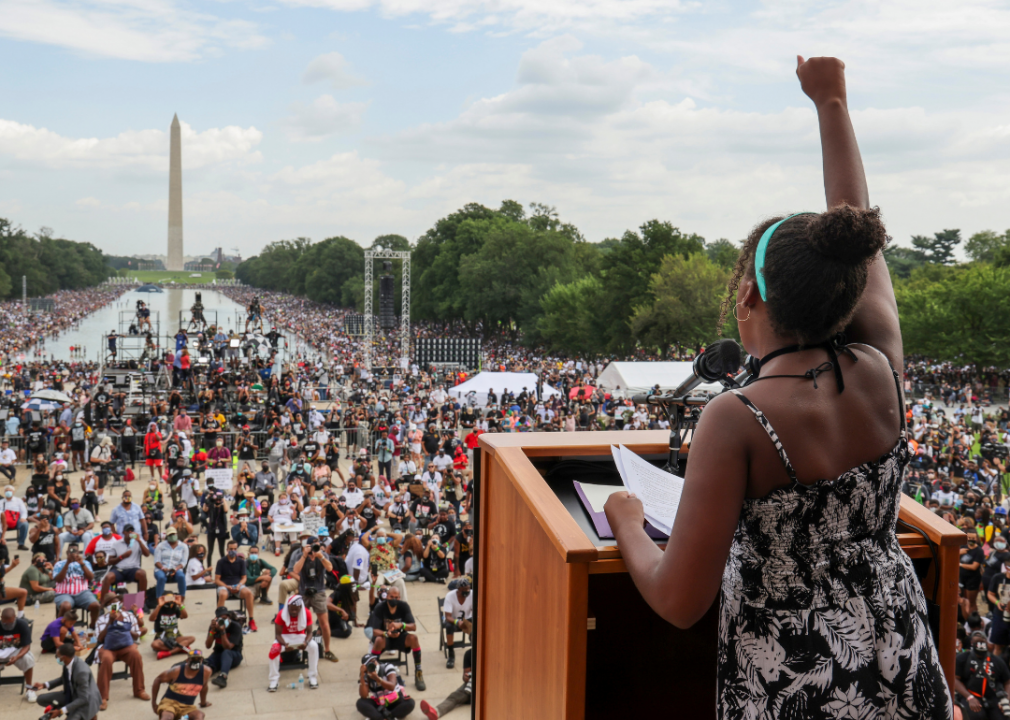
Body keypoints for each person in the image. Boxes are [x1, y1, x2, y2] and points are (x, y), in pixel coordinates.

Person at [602, 56, 951, 718]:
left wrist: (625, 522)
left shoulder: (737, 419)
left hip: (797, 680)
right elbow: (855, 223)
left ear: (749, 296)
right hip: (900, 650)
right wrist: (831, 102)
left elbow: (680, 602)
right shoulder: (881, 367)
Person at [95, 598, 150, 709]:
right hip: (108, 647)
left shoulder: (129, 616)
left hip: (126, 646)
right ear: (106, 607)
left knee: (136, 655)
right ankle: (102, 697)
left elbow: (137, 634)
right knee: (106, 659)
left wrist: (125, 630)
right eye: (110, 603)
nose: (113, 604)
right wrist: (110, 623)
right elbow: (100, 638)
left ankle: (139, 690)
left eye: (115, 602)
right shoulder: (101, 619)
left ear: (119, 603)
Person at [367, 587, 425, 690]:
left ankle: (418, 672)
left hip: (400, 637)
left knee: (414, 638)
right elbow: (374, 630)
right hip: (386, 637)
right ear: (387, 596)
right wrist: (386, 633)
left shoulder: (404, 606)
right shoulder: (380, 607)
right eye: (391, 597)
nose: (393, 599)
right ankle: (374, 672)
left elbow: (413, 626)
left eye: (396, 597)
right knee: (378, 640)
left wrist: (401, 625)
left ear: (399, 597)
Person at [293, 537, 338, 662]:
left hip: (319, 591)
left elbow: (329, 568)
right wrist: (304, 555)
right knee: (300, 622)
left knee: (324, 623)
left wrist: (320, 556)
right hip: (304, 591)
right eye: (312, 546)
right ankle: (299, 649)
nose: (314, 548)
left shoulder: (322, 555)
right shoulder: (300, 555)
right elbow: (295, 570)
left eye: (317, 545)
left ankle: (327, 650)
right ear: (306, 546)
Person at [32, 642, 102, 720]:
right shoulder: (68, 662)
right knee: (41, 699)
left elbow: (83, 699)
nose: (57, 658)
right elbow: (63, 678)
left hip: (85, 702)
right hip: (72, 694)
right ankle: (69, 709)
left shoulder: (81, 672)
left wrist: (61, 711)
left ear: (63, 657)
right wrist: (44, 685)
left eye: (57, 656)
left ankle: (86, 715)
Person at [267, 594, 319, 692]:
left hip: (300, 636)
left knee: (314, 646)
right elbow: (277, 635)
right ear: (288, 607)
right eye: (292, 609)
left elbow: (310, 633)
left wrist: (306, 643)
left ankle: (312, 677)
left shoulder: (306, 613)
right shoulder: (281, 614)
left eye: (296, 609)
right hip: (284, 637)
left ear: (300, 607)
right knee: (274, 649)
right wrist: (284, 645)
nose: (294, 612)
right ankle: (274, 680)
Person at [955, 631, 1010, 720]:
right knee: (976, 716)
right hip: (971, 695)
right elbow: (955, 679)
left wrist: (1007, 700)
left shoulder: (997, 660)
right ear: (972, 644)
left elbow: (1007, 681)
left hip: (993, 697)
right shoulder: (963, 658)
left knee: (1002, 716)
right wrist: (969, 697)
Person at [151, 648, 212, 720]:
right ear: (187, 660)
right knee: (168, 717)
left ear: (202, 660)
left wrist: (203, 703)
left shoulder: (206, 672)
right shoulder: (176, 671)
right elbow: (158, 679)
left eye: (198, 659)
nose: (196, 661)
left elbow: (204, 687)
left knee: (199, 715)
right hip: (169, 703)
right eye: (193, 659)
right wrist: (154, 703)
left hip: (187, 706)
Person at [356, 652, 415, 720]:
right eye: (369, 664)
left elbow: (392, 686)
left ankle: (383, 716)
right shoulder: (366, 675)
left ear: (376, 660)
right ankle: (386, 717)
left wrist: (377, 678)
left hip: (395, 701)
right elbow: (364, 695)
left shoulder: (387, 666)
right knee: (360, 703)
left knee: (410, 703)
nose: (373, 665)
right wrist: (362, 676)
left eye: (373, 661)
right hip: (379, 703)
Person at [51, 545, 100, 627]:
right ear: (67, 553)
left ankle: (92, 626)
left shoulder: (86, 563)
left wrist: (82, 564)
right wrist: (67, 563)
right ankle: (58, 628)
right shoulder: (59, 564)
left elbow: (90, 578)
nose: (73, 553)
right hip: (63, 593)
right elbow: (58, 579)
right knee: (66, 606)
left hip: (82, 592)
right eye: (71, 551)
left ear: (78, 553)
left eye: (75, 551)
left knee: (96, 605)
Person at [214, 540, 256, 632]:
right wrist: (227, 586)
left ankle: (251, 620)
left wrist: (239, 585)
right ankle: (218, 619)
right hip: (225, 586)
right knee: (222, 594)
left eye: (234, 549)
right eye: (231, 549)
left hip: (238, 585)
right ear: (227, 550)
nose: (232, 551)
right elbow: (217, 579)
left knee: (249, 593)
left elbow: (244, 578)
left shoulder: (241, 562)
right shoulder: (221, 562)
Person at [420, 649, 472, 719]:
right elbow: (465, 677)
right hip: (472, 686)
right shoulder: (469, 654)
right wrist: (466, 677)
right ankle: (436, 712)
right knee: (454, 696)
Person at [0, 607, 38, 701]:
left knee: (27, 659)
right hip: (1, 650)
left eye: (10, 623)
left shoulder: (22, 624)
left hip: (16, 651)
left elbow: (26, 646)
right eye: (5, 623)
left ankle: (29, 689)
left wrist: (17, 657)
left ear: (15, 617)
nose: (7, 625)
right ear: (1, 618)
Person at [204, 606, 243, 689]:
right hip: (218, 653)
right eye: (220, 619)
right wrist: (212, 631)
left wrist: (222, 631)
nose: (223, 621)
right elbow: (208, 645)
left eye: (225, 618)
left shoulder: (236, 627)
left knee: (226, 653)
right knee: (207, 666)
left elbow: (228, 647)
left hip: (234, 654)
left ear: (229, 618)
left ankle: (223, 677)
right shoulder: (213, 626)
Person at [151, 592, 195, 660]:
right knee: (154, 645)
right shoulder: (160, 609)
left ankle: (169, 653)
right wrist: (159, 605)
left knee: (192, 638)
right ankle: (180, 648)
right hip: (162, 637)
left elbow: (185, 616)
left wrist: (180, 604)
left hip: (175, 636)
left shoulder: (175, 608)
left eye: (171, 598)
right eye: (167, 598)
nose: (169, 601)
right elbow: (151, 618)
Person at [441, 575, 472, 669]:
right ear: (458, 590)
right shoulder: (450, 596)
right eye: (464, 590)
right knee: (448, 626)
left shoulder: (472, 594)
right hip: (453, 620)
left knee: (477, 625)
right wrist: (457, 622)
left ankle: (475, 650)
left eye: (468, 589)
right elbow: (447, 617)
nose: (467, 592)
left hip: (468, 620)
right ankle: (451, 655)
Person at [153, 528, 189, 600]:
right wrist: (163, 568)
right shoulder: (161, 546)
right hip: (161, 568)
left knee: (181, 577)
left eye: (173, 534)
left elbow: (183, 562)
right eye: (170, 535)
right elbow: (156, 561)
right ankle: (159, 599)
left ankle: (182, 598)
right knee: (161, 577)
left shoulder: (183, 546)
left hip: (176, 568)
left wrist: (175, 569)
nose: (172, 536)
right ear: (167, 536)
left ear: (176, 534)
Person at [0, 484, 29, 549]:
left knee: (24, 524)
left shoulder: (18, 501)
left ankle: (21, 544)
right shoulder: (1, 502)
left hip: (15, 520)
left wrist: (23, 518)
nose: (8, 492)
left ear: (13, 492)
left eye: (10, 490)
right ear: (4, 492)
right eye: (6, 490)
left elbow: (24, 511)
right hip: (3, 521)